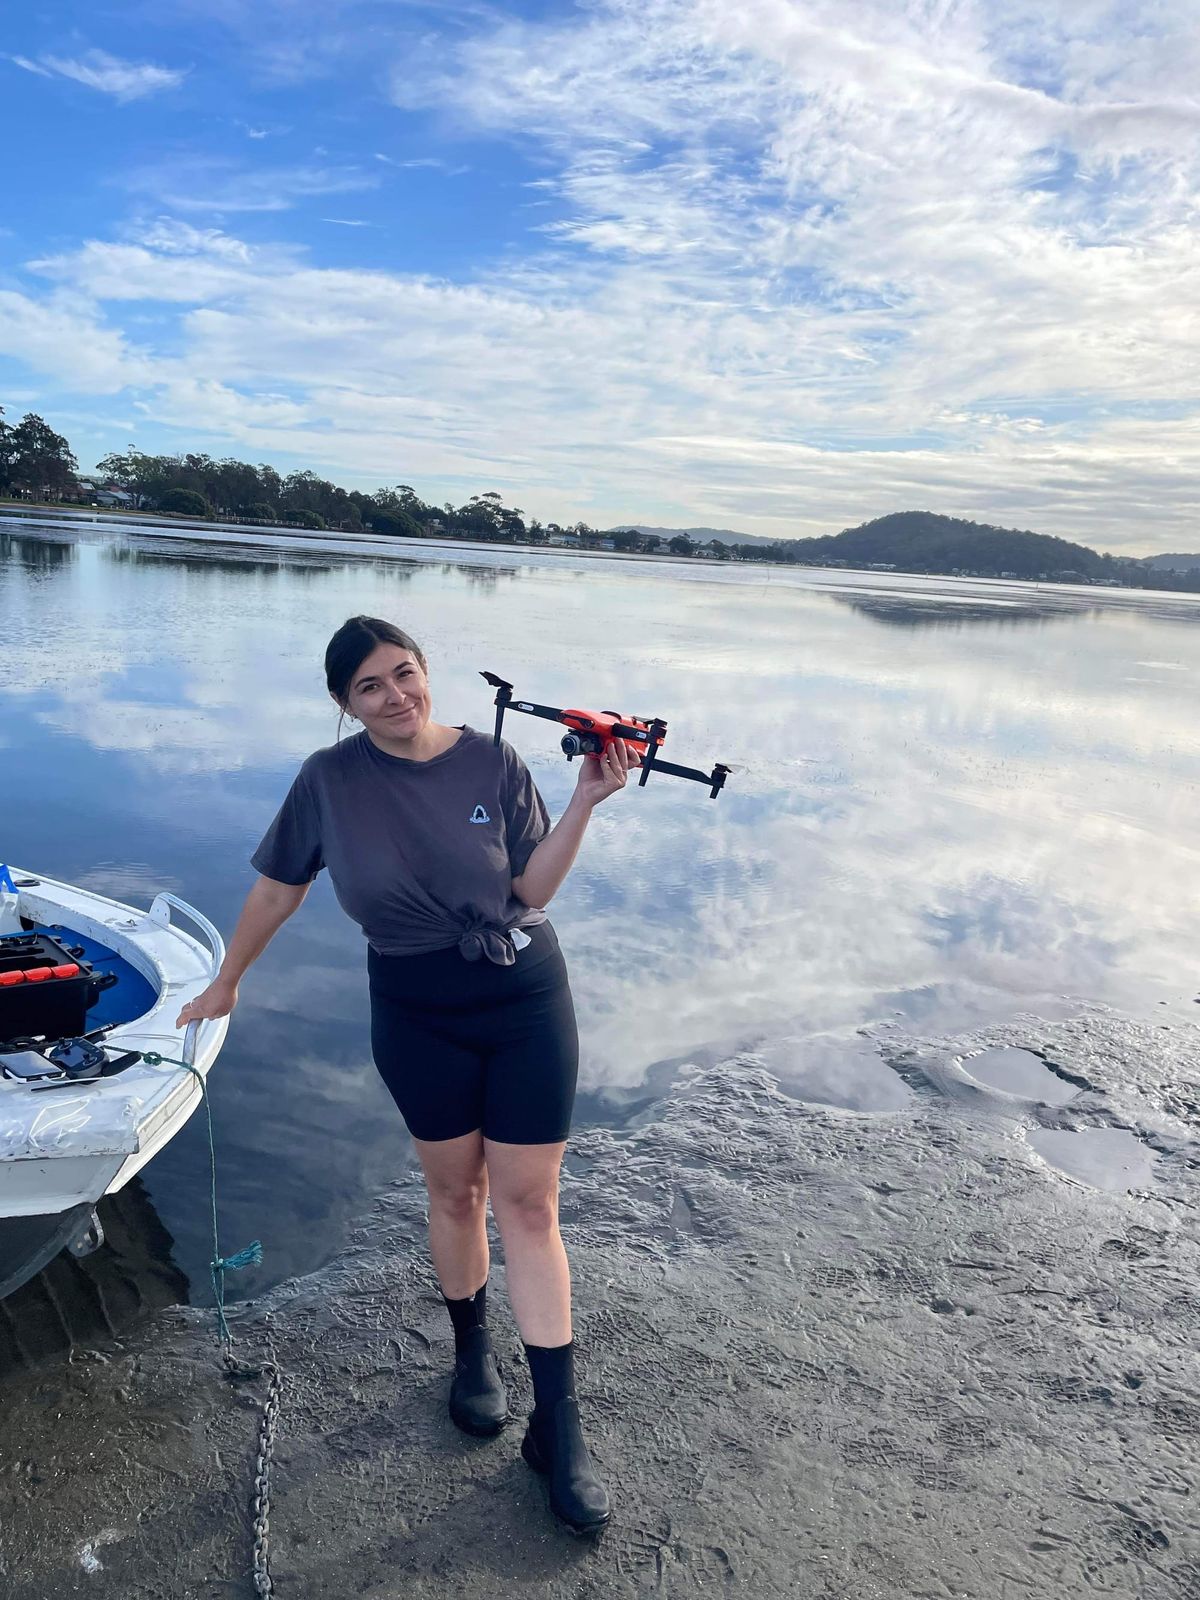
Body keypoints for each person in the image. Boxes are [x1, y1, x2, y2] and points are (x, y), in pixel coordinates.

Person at [177, 615, 640, 1536]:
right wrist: (228, 978)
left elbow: (533, 890)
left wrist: (584, 801)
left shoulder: (494, 763)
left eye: (405, 673)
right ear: (345, 706)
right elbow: (280, 886)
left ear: (426, 671)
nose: (396, 697)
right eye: (370, 688)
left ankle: (560, 1424)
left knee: (531, 1205)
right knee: (455, 1192)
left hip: (522, 995)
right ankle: (473, 1354)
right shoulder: (328, 781)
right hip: (415, 1006)